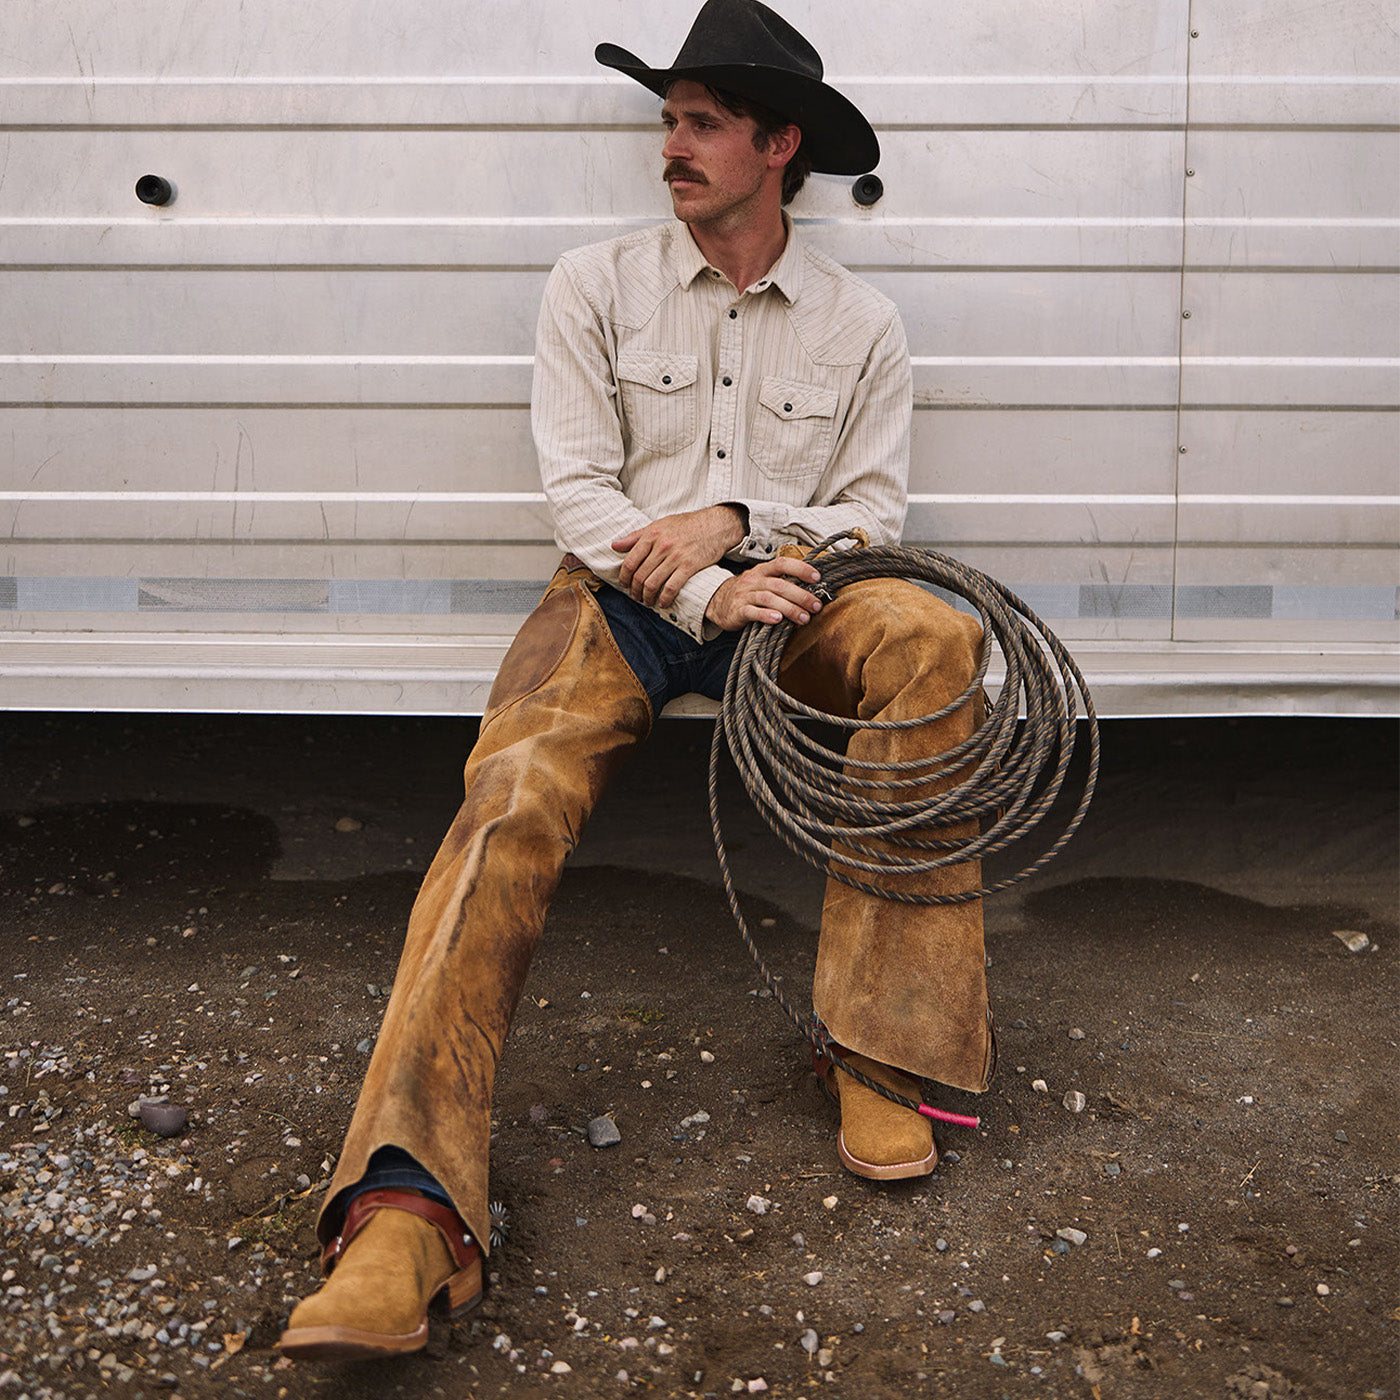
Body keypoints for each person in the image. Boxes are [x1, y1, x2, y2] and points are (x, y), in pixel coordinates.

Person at [277, 0, 992, 1363]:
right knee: (514, 789)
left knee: (937, 646)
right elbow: (579, 493)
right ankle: (405, 1209)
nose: (675, 144)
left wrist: (741, 522)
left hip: (798, 593)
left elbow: (873, 511)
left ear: (780, 147)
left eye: (705, 122)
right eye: (669, 119)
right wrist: (695, 579)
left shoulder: (864, 321)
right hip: (616, 593)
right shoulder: (594, 283)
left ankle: (886, 1052)